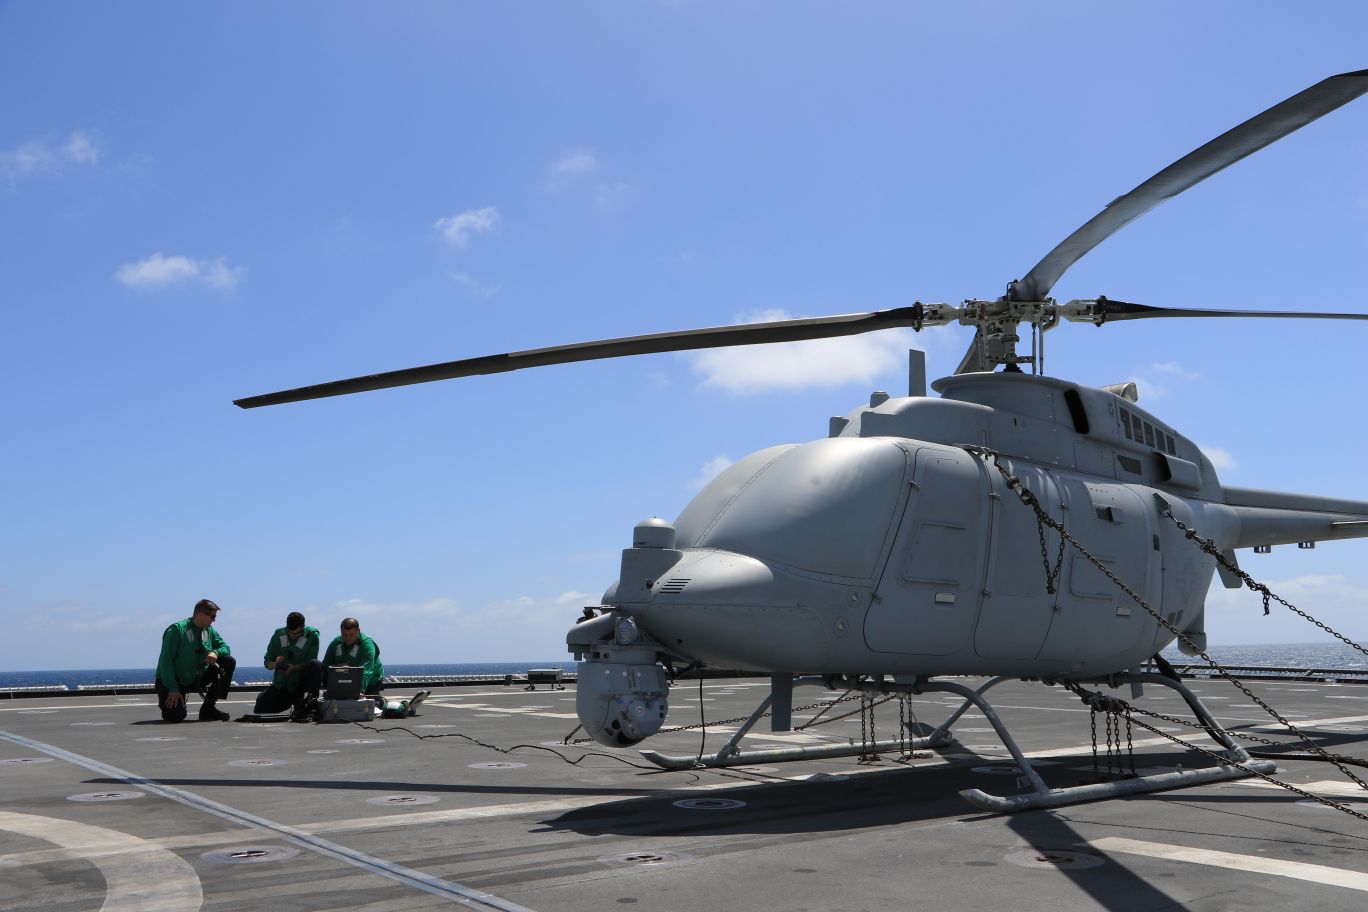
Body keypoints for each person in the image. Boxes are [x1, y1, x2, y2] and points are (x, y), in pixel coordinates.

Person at [155, 598, 237, 722]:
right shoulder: (176, 631)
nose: (214, 620)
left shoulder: (209, 631)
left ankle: (208, 708)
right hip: (173, 681)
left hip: (196, 678)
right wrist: (173, 689)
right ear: (200, 615)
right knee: (175, 716)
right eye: (212, 616)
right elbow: (165, 662)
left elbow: (225, 648)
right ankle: (175, 703)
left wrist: (215, 652)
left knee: (228, 661)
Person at [253, 611, 321, 721]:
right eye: (290, 633)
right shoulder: (279, 634)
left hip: (300, 683)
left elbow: (310, 661)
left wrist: (293, 668)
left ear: (303, 627)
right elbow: (267, 661)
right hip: (283, 683)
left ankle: (311, 701)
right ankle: (288, 702)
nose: (293, 636)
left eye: (296, 634)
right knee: (260, 708)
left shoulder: (312, 635)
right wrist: (275, 664)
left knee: (315, 664)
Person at [322, 617, 384, 697]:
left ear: (358, 631)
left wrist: (360, 691)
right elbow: (325, 665)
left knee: (370, 706)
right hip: (344, 680)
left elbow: (366, 671)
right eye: (344, 635)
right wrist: (339, 667)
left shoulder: (367, 645)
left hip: (370, 681)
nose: (347, 638)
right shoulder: (336, 642)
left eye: (351, 635)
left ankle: (384, 703)